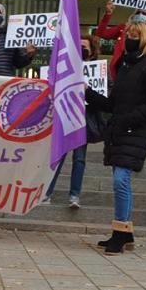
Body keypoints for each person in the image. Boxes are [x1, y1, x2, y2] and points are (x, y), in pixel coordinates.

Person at [86, 22, 146, 253]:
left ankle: (120, 232)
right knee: (121, 181)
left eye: (135, 35)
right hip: (120, 131)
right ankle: (124, 231)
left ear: (145, 39)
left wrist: (128, 119)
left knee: (121, 180)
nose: (130, 38)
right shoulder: (124, 66)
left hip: (135, 131)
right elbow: (113, 104)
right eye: (128, 34)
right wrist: (88, 93)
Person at [44, 36, 97, 208]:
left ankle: (74, 195)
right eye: (79, 46)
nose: (82, 49)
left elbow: (104, 95)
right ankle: (47, 193)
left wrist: (89, 91)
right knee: (59, 156)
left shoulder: (98, 71)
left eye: (85, 47)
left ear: (92, 50)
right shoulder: (63, 66)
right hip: (65, 116)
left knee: (79, 159)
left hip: (84, 119)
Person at [95, 0, 146, 75]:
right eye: (138, 12)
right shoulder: (123, 28)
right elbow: (101, 33)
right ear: (133, 14)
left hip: (141, 68)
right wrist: (108, 14)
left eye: (144, 13)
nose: (140, 15)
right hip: (121, 68)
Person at [0, 3, 36, 77]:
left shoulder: (10, 36)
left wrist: (29, 55)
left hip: (5, 80)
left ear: (3, 15)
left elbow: (18, 63)